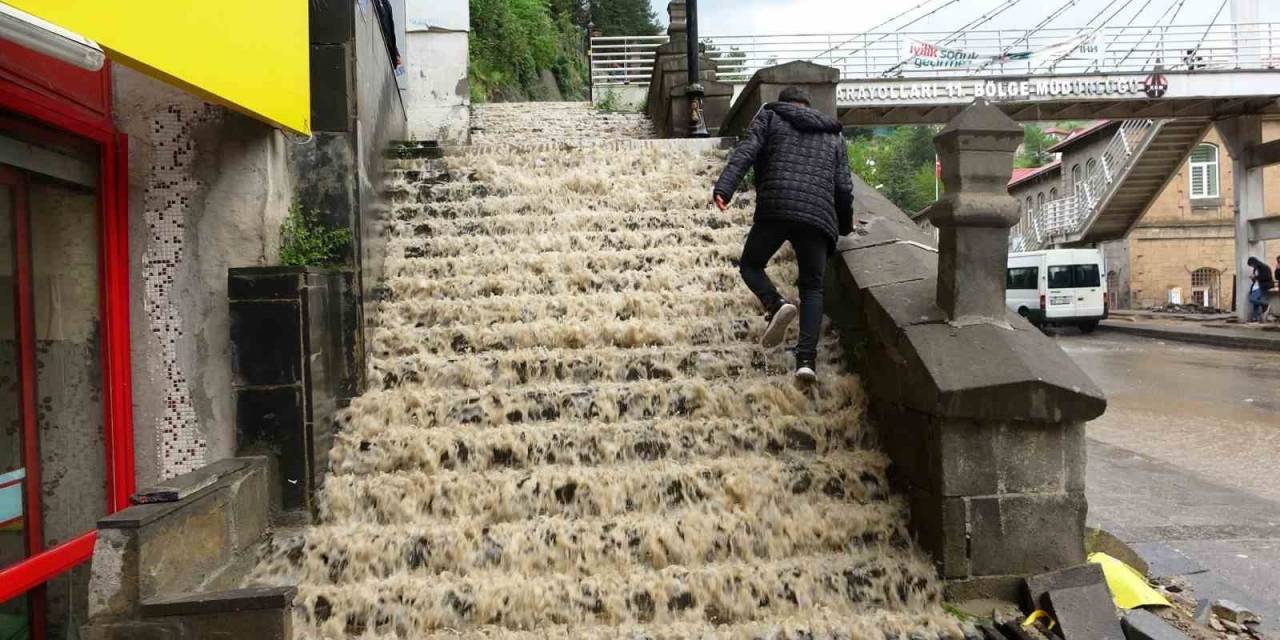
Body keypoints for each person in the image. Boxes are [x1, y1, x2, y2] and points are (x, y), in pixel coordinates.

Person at [713, 86, 853, 383]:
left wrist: (725, 188)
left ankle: (776, 303)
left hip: (776, 207)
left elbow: (746, 152)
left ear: (784, 104)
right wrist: (844, 226)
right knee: (812, 288)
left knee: (751, 265)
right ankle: (806, 361)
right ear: (808, 106)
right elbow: (843, 187)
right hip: (817, 217)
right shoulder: (833, 135)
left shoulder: (770, 117)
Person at [373, 0, 402, 69]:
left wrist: (396, 52)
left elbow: (389, 32)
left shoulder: (386, 3)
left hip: (386, 52)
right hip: (375, 50)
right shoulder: (371, 3)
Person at [1247, 257, 1274, 322]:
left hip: (1263, 286)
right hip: (1255, 287)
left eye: (1252, 265)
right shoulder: (1255, 269)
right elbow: (1256, 280)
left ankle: (1265, 304)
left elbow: (1266, 277)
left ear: (1254, 262)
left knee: (1252, 299)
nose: (1252, 266)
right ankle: (1255, 318)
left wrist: (1256, 277)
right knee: (1255, 304)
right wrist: (1253, 278)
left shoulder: (1264, 267)